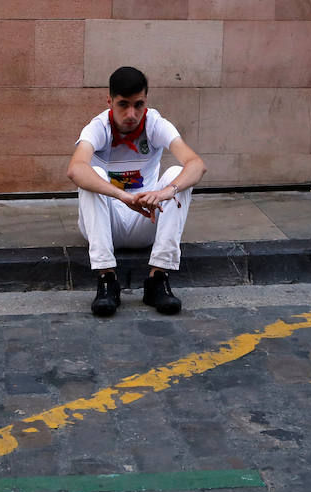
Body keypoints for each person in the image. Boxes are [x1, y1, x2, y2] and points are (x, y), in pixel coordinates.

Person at [67, 66, 207, 317]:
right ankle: (107, 280)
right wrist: (123, 196)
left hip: (146, 218)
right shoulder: (98, 127)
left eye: (138, 104)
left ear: (146, 101)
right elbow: (75, 169)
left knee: (178, 175)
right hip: (105, 222)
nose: (131, 114)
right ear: (109, 101)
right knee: (92, 175)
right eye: (123, 105)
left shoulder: (155, 123)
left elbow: (196, 164)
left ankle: (158, 278)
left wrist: (166, 191)